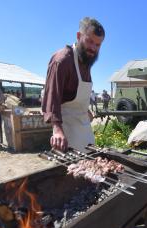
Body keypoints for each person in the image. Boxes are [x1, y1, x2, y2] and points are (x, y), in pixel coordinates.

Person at [42, 17, 105, 152]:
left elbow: (73, 94)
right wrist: (57, 129)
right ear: (79, 36)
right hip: (66, 129)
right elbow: (52, 96)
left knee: (91, 163)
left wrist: (85, 109)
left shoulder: (86, 60)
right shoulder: (62, 60)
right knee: (72, 168)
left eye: (98, 45)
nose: (93, 48)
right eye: (90, 41)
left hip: (84, 127)